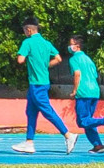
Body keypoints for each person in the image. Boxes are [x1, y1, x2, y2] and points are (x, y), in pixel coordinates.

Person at [12, 18, 77, 155]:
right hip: (41, 83)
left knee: (47, 111)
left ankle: (68, 135)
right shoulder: (46, 43)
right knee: (31, 112)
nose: (24, 33)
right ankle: (29, 142)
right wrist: (45, 65)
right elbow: (58, 58)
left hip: (37, 84)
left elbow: (20, 60)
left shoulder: (27, 42)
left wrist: (27, 58)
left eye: (24, 30)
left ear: (29, 30)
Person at [66, 33, 104, 153]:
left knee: (82, 121)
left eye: (71, 44)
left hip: (83, 92)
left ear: (77, 46)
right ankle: (98, 145)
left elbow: (77, 74)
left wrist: (74, 90)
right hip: (94, 91)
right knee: (88, 121)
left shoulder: (74, 59)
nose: (69, 47)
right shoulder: (88, 59)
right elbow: (94, 75)